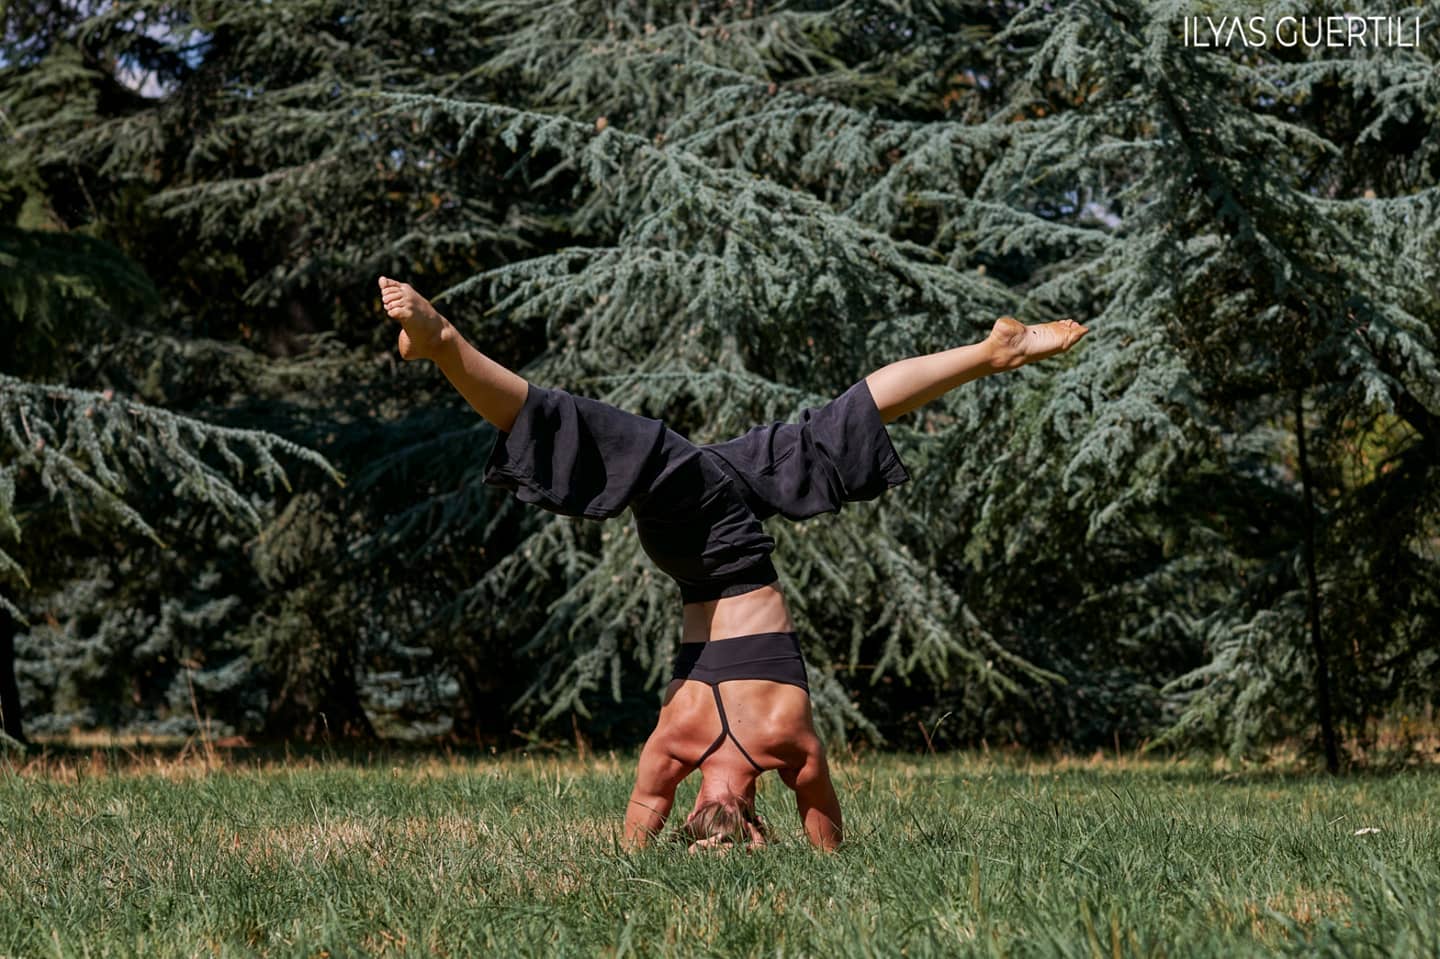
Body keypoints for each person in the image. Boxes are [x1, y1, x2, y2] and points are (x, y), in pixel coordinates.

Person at [378, 276, 1088, 852]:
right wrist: (652, 847)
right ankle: (998, 351)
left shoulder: (781, 736)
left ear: (749, 818)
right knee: (783, 437)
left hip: (714, 537)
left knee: (821, 435)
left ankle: (447, 345)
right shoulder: (681, 740)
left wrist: (810, 850)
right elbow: (646, 815)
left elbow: (820, 825)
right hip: (705, 536)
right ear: (724, 819)